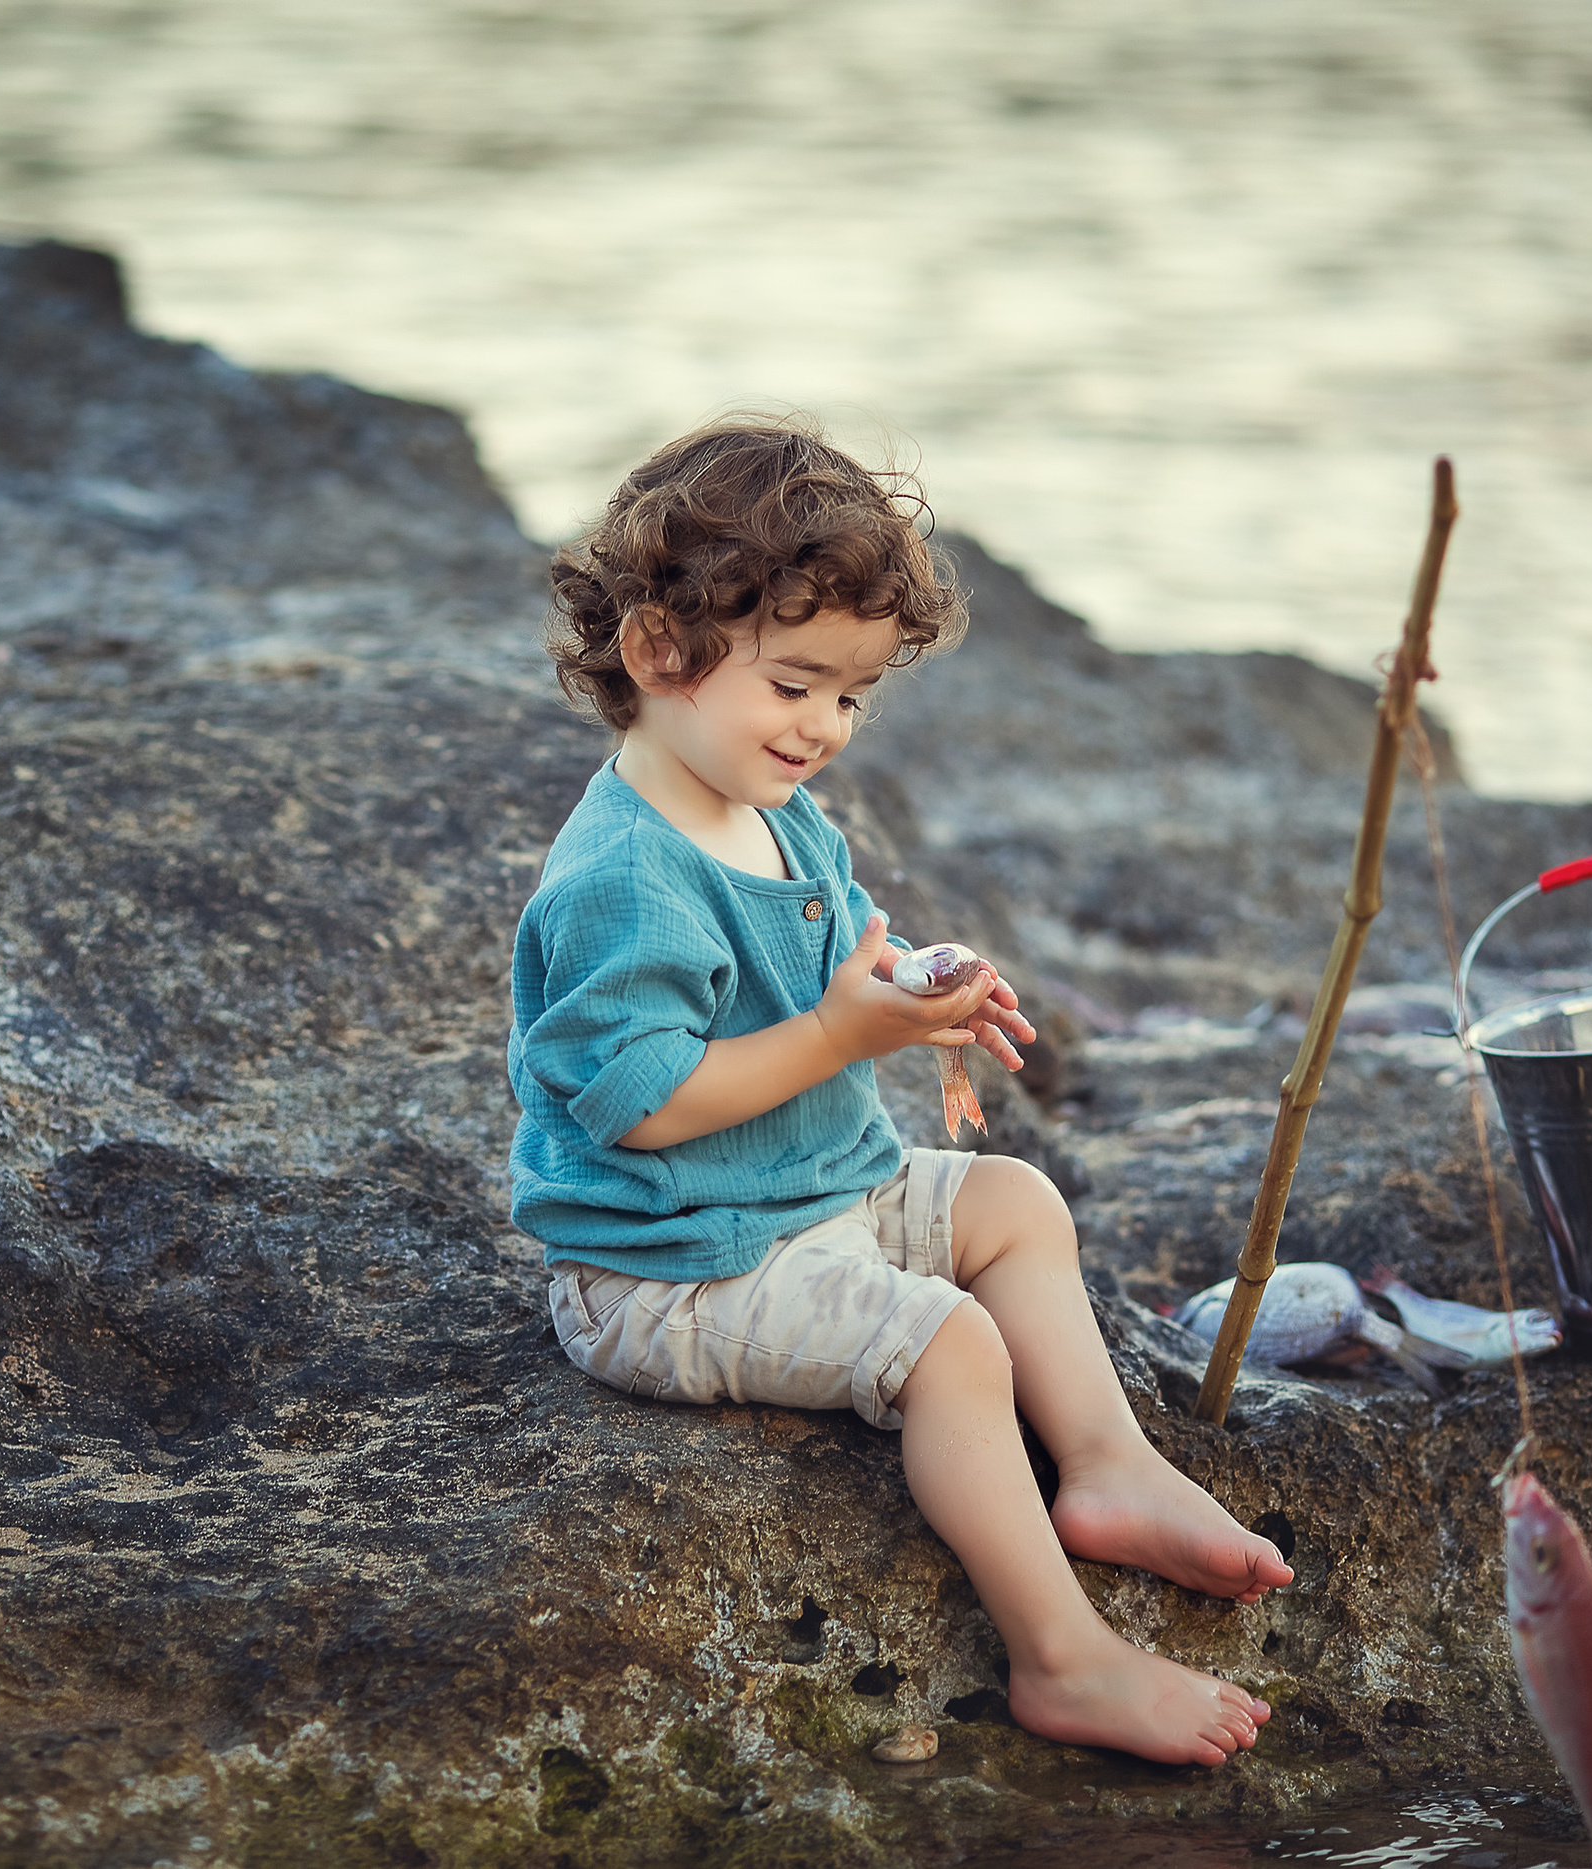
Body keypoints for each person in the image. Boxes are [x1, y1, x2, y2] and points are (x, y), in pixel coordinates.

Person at [507, 417, 1289, 1767]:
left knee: (1014, 1200)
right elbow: (642, 1106)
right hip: (676, 1265)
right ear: (655, 652)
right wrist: (836, 1032)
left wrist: (919, 980)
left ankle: (1106, 1466)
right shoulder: (623, 880)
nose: (825, 727)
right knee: (948, 1342)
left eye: (851, 695)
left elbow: (846, 948)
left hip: (814, 1187)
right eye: (798, 683)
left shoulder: (769, 803)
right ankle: (1062, 1654)